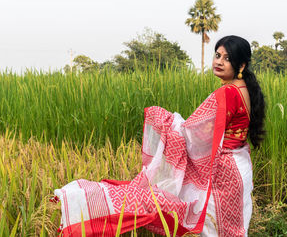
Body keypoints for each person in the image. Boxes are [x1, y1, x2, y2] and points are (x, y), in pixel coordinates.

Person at [53, 35, 265, 237]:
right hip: (240, 166)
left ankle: (78, 203)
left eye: (227, 58)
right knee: (233, 228)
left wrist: (165, 121)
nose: (219, 61)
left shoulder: (226, 93)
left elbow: (192, 132)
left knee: (213, 228)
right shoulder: (245, 89)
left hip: (224, 173)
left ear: (242, 66)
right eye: (217, 55)